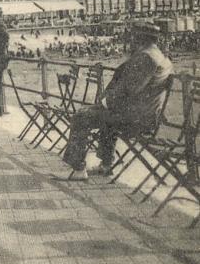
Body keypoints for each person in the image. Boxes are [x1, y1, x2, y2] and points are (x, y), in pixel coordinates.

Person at [61, 23, 174, 180]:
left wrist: (105, 103)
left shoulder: (146, 57)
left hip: (136, 120)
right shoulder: (159, 56)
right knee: (104, 118)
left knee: (81, 116)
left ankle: (79, 168)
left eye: (133, 36)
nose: (130, 40)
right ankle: (106, 165)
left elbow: (130, 90)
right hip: (145, 115)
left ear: (139, 38)